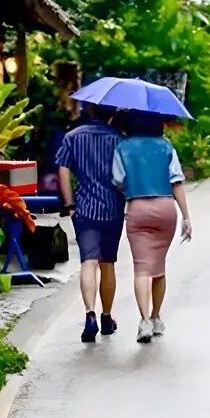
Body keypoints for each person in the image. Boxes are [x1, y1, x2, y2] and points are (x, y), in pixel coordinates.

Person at [111, 112, 192, 343]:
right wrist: (186, 216)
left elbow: (118, 180)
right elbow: (176, 181)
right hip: (166, 208)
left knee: (142, 268)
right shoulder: (166, 147)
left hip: (137, 208)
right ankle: (157, 317)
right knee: (158, 267)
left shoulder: (122, 148)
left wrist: (132, 189)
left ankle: (144, 320)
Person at [56, 104, 126, 343]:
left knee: (88, 261)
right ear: (112, 114)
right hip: (113, 208)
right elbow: (123, 178)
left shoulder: (72, 137)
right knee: (108, 263)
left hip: (84, 209)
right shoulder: (119, 140)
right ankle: (107, 318)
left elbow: (63, 171)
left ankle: (90, 315)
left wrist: (69, 204)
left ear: (91, 112)